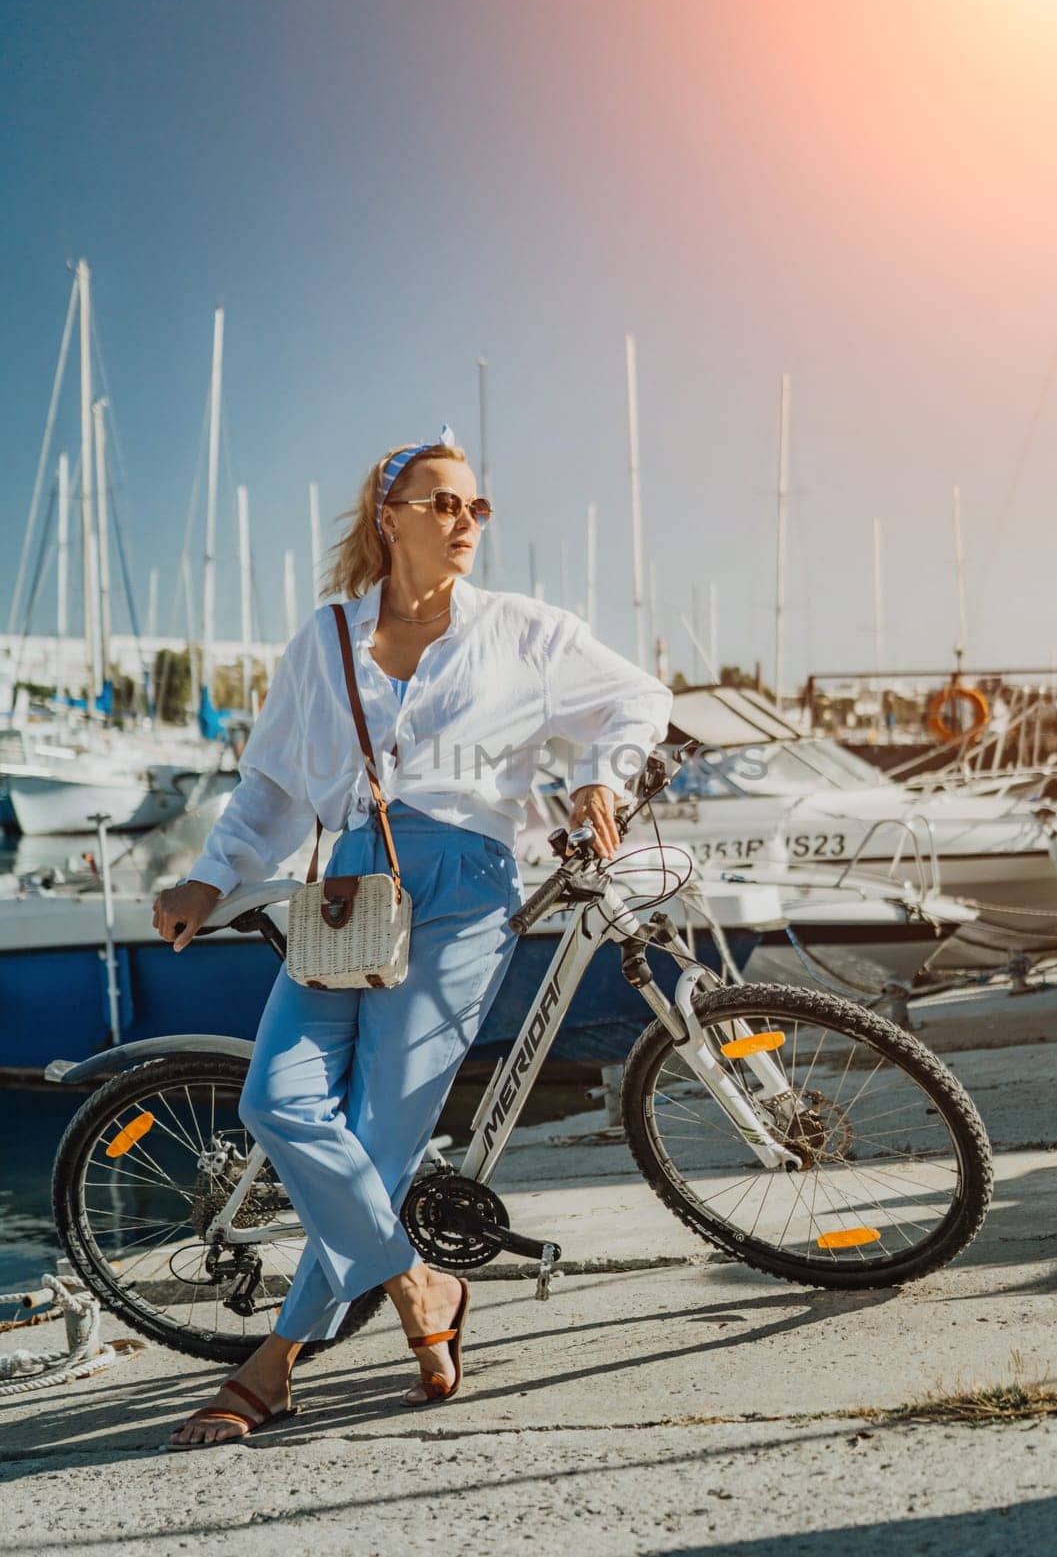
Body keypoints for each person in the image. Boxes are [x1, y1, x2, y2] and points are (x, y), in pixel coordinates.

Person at [154, 430, 672, 1447]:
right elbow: (268, 782)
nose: (463, 522)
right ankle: (415, 1284)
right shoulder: (328, 636)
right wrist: (208, 873)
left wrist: (600, 769)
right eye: (440, 503)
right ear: (386, 515)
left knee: (382, 1134)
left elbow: (637, 697)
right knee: (278, 1097)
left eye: (475, 507)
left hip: (462, 883)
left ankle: (275, 1364)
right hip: (349, 882)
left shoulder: (523, 630)